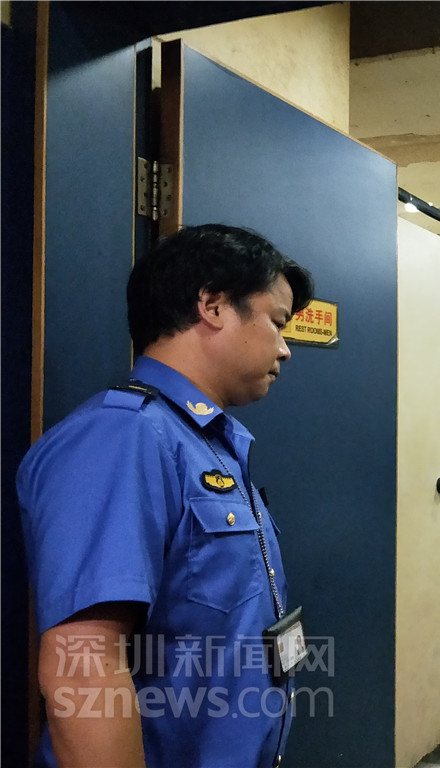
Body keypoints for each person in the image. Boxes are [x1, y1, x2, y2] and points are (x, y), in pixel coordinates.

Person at [17, 224, 314, 767]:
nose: (284, 349)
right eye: (276, 322)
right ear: (213, 305)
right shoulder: (121, 437)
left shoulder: (202, 442)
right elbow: (84, 667)